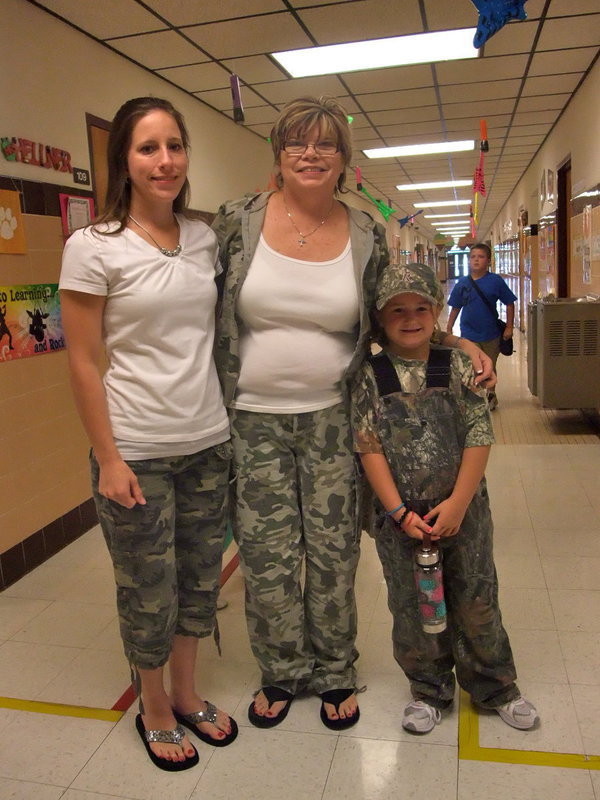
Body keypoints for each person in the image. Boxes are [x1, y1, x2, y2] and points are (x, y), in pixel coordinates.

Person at [212, 95, 496, 731]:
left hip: (335, 421)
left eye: (326, 144)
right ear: (278, 155)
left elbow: (399, 317)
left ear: (343, 158)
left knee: (335, 550)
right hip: (251, 421)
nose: (310, 155)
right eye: (296, 143)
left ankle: (336, 669)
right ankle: (283, 670)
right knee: (267, 554)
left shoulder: (365, 231)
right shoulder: (237, 222)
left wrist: (460, 342)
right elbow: (196, 310)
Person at [59, 97, 238, 771]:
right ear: (123, 162)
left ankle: (189, 692)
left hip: (207, 441)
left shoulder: (205, 237)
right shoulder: (93, 246)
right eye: (147, 148)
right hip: (135, 448)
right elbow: (81, 359)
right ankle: (154, 706)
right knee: (147, 587)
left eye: (173, 145)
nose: (164, 161)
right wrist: (107, 457)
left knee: (198, 582)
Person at [351, 261, 539, 735]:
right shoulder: (370, 375)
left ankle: (496, 686)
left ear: (436, 312)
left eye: (420, 307)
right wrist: (397, 512)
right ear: (379, 318)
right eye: (397, 310)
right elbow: (368, 448)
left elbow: (479, 435)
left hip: (465, 512)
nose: (410, 318)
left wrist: (458, 503)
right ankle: (428, 689)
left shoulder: (459, 365)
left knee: (477, 597)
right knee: (414, 607)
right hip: (401, 521)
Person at [446, 242, 516, 410]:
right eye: (473, 257)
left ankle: (491, 394)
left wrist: (509, 327)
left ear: (489, 261)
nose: (476, 260)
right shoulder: (463, 283)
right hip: (468, 333)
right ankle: (475, 396)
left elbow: (510, 303)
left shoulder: (495, 281)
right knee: (472, 365)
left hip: (491, 334)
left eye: (481, 257)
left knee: (490, 365)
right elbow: (455, 307)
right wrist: (448, 328)